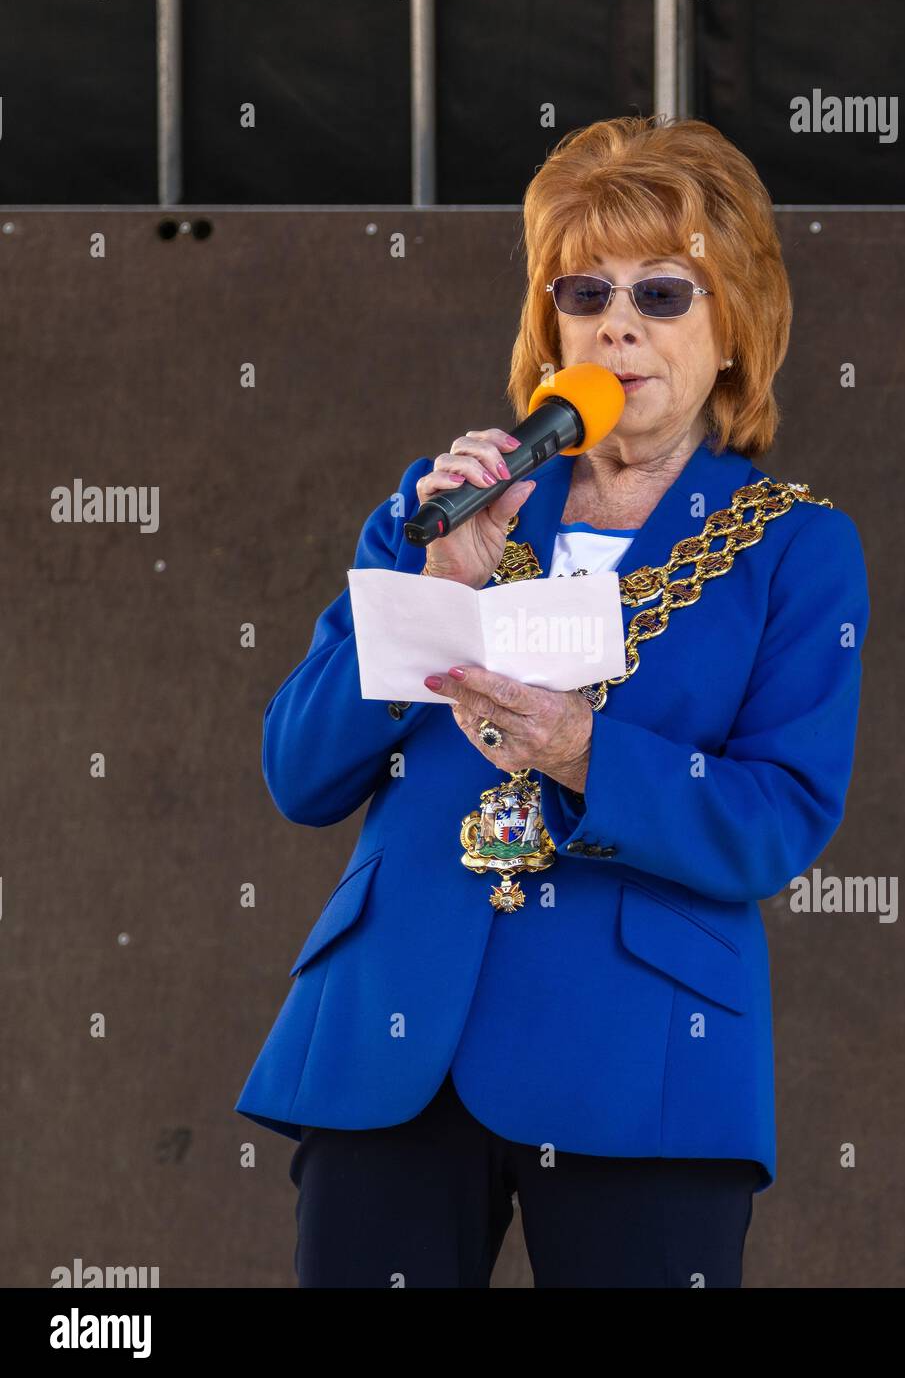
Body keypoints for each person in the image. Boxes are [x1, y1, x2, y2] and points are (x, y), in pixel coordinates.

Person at [236, 114, 870, 1288]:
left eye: (664, 294)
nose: (618, 323)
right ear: (549, 330)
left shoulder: (796, 549)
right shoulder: (442, 509)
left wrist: (586, 752)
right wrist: (436, 579)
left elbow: (777, 820)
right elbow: (299, 770)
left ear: (736, 330)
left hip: (643, 1061)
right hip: (391, 1043)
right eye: (584, 291)